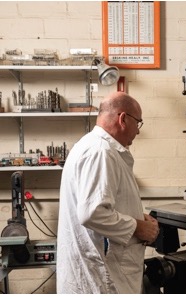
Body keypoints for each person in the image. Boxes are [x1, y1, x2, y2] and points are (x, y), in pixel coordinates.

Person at [56, 91, 159, 294]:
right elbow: (92, 213)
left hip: (100, 273)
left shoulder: (91, 145)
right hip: (103, 278)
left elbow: (104, 202)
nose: (138, 131)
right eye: (138, 123)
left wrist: (138, 217)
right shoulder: (100, 152)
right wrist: (138, 227)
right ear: (123, 119)